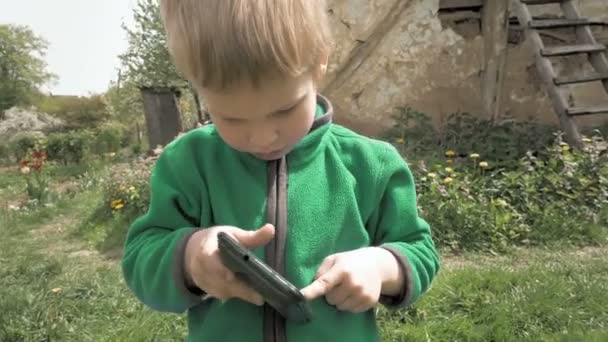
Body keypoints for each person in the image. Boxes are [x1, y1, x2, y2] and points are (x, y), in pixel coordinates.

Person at [121, 0, 440, 341]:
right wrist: (188, 257)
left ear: (320, 60)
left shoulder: (371, 165)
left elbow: (418, 250)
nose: (261, 137)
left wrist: (380, 266)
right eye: (231, 117)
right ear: (198, 90)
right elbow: (142, 255)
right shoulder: (188, 163)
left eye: (284, 110)